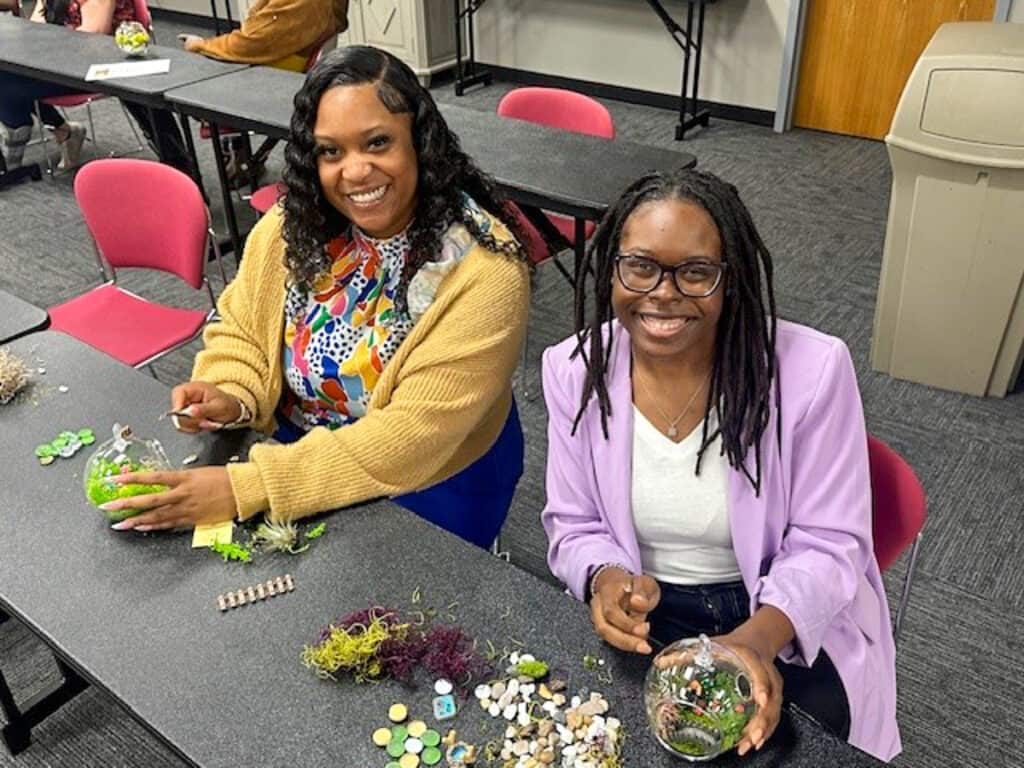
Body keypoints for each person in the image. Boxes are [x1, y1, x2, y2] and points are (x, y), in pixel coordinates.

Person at [100, 45, 530, 550]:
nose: (354, 172)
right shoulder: (294, 226)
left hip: (432, 477)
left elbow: (410, 439)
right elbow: (240, 326)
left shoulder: (486, 270)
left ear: (420, 142)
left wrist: (249, 488)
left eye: (377, 143)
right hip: (298, 456)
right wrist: (232, 392)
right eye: (331, 151)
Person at [540, 169, 900, 761]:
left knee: (776, 747)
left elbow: (831, 543)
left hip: (775, 612)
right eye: (640, 266)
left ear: (729, 281)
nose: (663, 292)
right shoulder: (575, 370)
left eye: (696, 273)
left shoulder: (811, 371)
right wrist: (604, 577)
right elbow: (572, 522)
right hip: (649, 614)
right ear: (612, 270)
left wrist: (756, 642)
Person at [0, 0, 194, 175]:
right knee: (8, 72)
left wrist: (43, 45)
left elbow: (90, 40)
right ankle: (60, 133)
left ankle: (14, 147)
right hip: (60, 60)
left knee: (7, 83)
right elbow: (35, 27)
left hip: (103, 65)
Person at [179, 0, 349, 72]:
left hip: (274, 68)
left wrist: (201, 45)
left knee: (199, 69)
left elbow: (250, 43)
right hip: (291, 55)